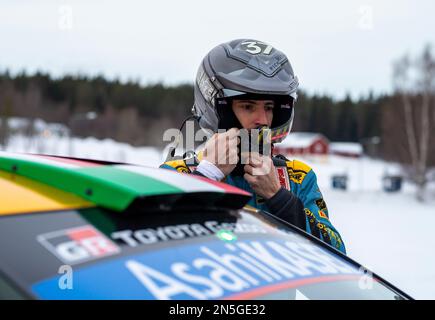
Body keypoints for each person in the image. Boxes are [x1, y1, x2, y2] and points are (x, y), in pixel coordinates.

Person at [160, 39, 346, 253]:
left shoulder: (297, 177)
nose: (263, 119)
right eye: (248, 106)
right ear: (218, 110)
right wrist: (206, 177)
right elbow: (153, 250)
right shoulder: (177, 174)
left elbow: (336, 253)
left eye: (269, 107)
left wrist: (280, 199)